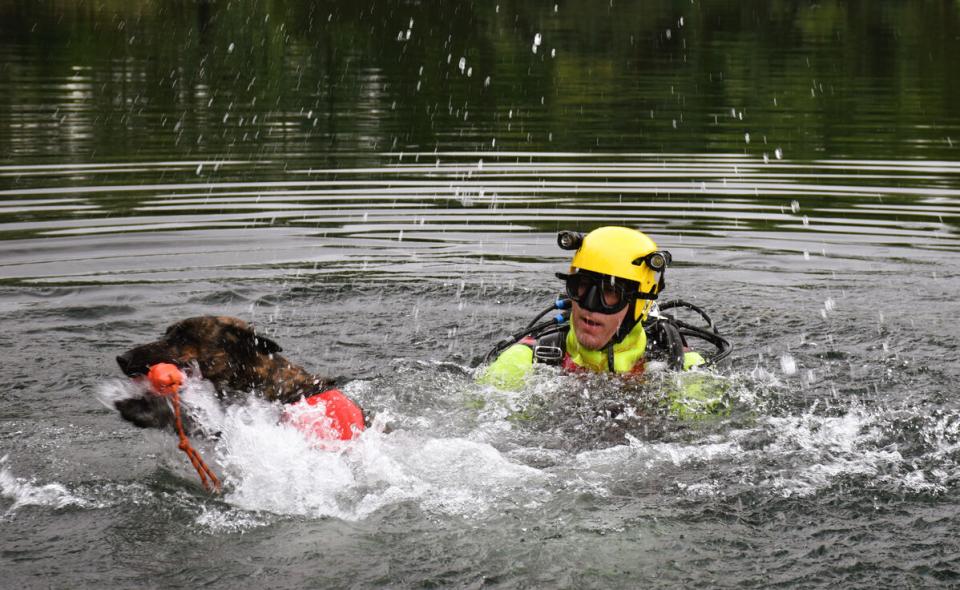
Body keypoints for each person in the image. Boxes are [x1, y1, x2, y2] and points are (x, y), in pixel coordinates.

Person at [477, 226, 731, 418]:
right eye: (581, 287)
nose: (589, 306)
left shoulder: (683, 369)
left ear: (639, 303)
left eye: (610, 293)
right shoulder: (525, 361)